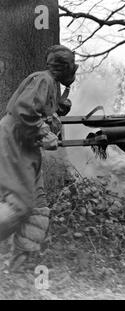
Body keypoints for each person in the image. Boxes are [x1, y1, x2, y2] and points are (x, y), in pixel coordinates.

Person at [0, 45, 78, 271]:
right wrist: (44, 131)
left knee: (38, 206)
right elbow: (23, 110)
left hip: (26, 146)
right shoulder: (43, 79)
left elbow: (39, 110)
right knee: (20, 205)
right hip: (14, 141)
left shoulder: (51, 84)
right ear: (64, 67)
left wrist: (57, 110)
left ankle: (19, 266)